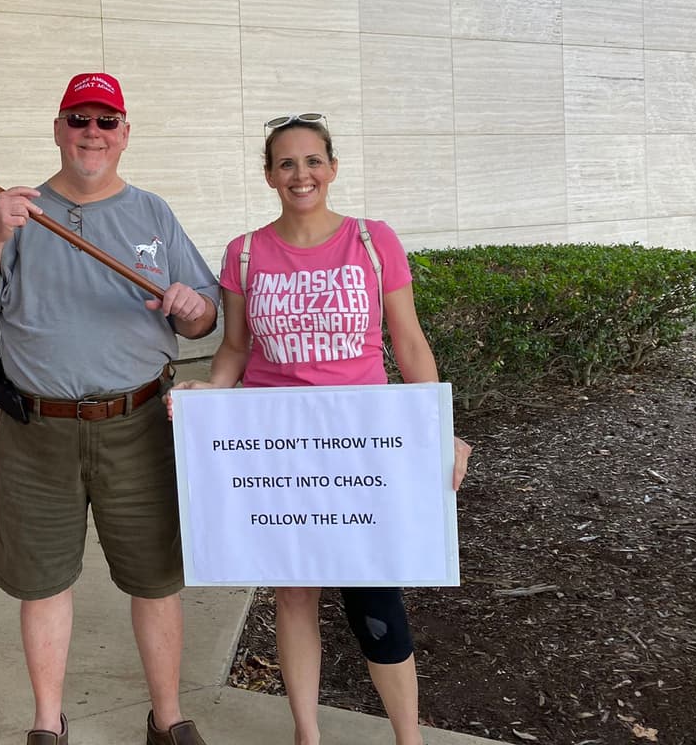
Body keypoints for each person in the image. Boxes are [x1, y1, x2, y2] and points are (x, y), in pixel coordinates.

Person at [174, 114, 472, 745]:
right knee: (294, 594)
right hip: (278, 448)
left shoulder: (372, 240)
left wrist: (438, 430)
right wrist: (211, 393)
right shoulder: (245, 252)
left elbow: (409, 344)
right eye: (286, 163)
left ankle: (407, 738)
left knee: (375, 596)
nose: (300, 175)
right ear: (268, 175)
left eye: (312, 161)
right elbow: (233, 348)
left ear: (332, 168)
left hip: (363, 444)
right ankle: (306, 735)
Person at [0, 73, 220, 745]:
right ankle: (47, 723)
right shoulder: (18, 213)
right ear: (59, 127)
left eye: (105, 120)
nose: (91, 133)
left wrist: (192, 307)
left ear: (124, 133)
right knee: (43, 581)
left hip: (140, 426)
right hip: (39, 431)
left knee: (155, 578)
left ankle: (167, 718)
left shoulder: (153, 214)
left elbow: (205, 318)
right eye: (79, 119)